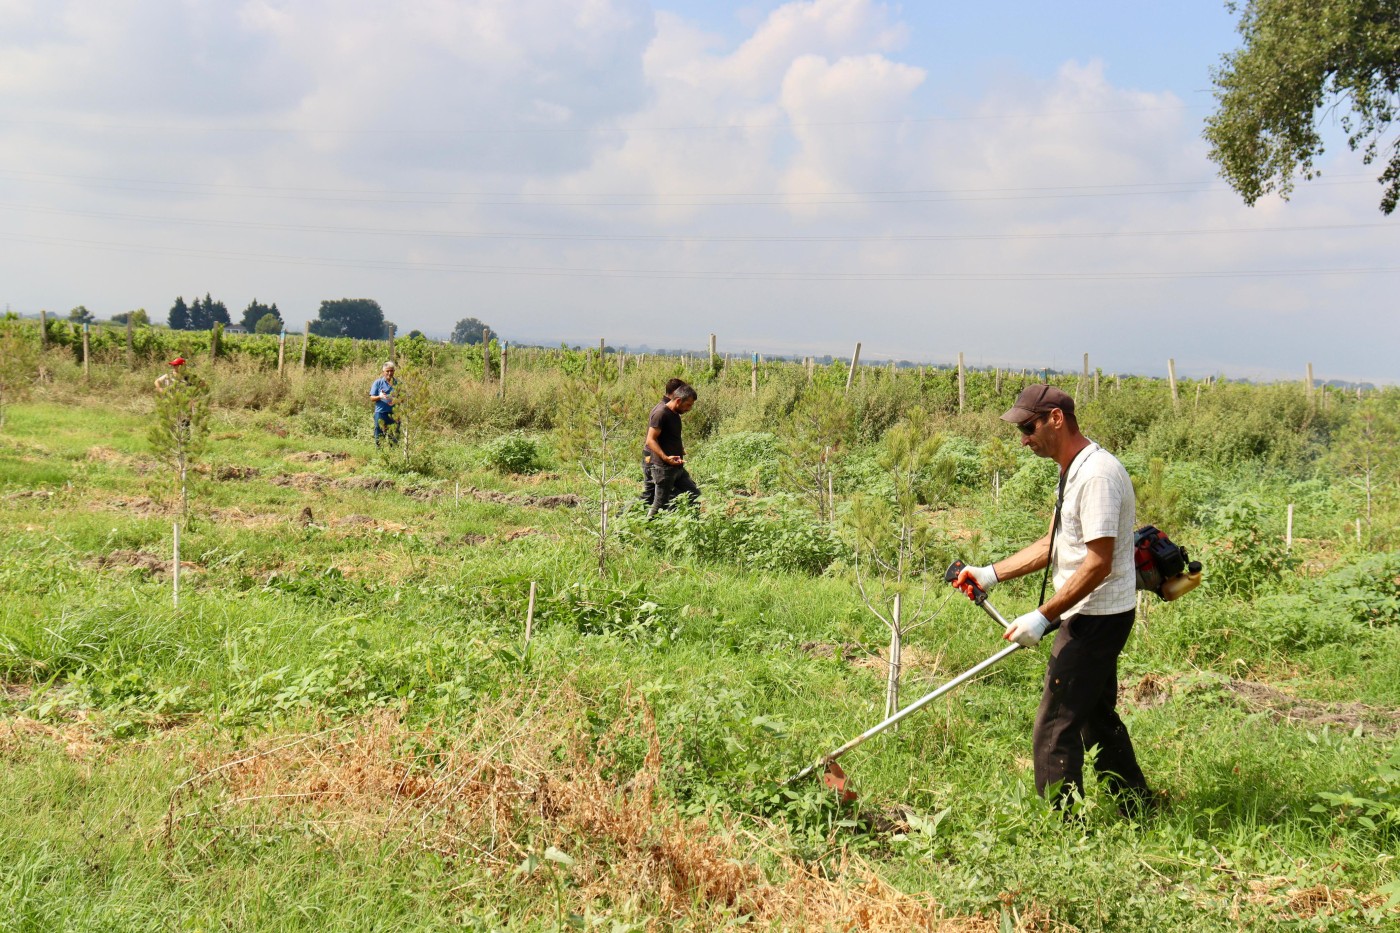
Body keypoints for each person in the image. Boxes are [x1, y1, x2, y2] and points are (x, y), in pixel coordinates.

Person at [954, 384, 1155, 817]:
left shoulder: (1098, 476)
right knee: (1095, 717)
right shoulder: (1074, 469)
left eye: (1029, 427)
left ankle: (1060, 830)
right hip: (1091, 612)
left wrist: (1044, 617)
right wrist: (990, 573)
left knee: (1054, 726)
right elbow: (1056, 544)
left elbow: (1098, 563)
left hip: (1096, 617)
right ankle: (1137, 806)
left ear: (1056, 419)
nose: (1024, 439)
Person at [645, 384, 700, 516]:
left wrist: (679, 448)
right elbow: (650, 440)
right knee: (659, 505)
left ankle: (690, 526)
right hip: (663, 469)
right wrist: (665, 457)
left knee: (695, 495)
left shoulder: (675, 414)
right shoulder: (661, 413)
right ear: (678, 400)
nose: (689, 409)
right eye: (688, 405)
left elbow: (670, 436)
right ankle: (646, 530)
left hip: (677, 467)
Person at [640, 378, 689, 505]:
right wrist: (665, 457)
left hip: (659, 458)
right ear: (674, 393)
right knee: (650, 495)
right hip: (652, 458)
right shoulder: (661, 410)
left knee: (655, 495)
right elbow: (650, 440)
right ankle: (623, 517)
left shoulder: (672, 410)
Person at [370, 361, 398, 446]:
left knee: (394, 436)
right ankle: (379, 454)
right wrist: (380, 396)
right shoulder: (378, 383)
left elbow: (404, 398)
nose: (389, 373)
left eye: (391, 371)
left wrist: (397, 399)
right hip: (381, 413)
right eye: (387, 371)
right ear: (383, 372)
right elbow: (372, 398)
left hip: (394, 414)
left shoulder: (398, 383)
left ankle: (393, 456)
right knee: (379, 435)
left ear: (394, 371)